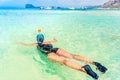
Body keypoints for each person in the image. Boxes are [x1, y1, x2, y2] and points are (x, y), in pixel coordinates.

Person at [17, 29, 107, 80]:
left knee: (64, 61)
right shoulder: (47, 42)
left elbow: (26, 44)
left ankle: (84, 69)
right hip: (54, 49)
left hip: (49, 53)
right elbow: (54, 40)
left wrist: (19, 42)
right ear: (43, 38)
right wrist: (54, 39)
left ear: (37, 39)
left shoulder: (37, 44)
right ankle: (96, 63)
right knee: (72, 55)